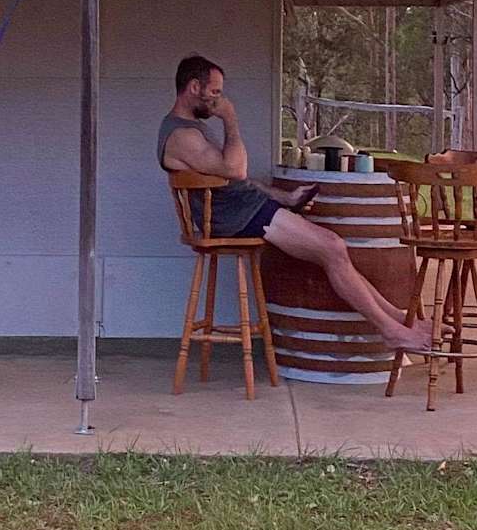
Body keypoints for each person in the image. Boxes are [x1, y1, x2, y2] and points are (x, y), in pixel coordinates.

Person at [157, 54, 432, 354]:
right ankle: (392, 331)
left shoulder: (191, 129)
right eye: (215, 92)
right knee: (332, 247)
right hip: (237, 218)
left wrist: (283, 197)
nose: (219, 100)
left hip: (245, 209)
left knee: (333, 248)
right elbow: (236, 170)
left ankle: (399, 321)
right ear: (194, 87)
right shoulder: (182, 135)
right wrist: (231, 120)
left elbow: (231, 181)